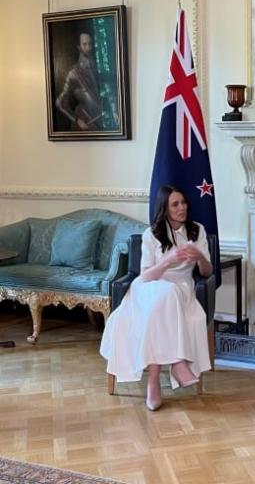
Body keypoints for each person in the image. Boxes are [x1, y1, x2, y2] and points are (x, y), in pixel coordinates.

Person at [100, 185, 213, 411]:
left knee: (166, 297)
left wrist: (200, 255)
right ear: (165, 208)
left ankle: (154, 380)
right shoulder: (151, 234)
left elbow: (207, 272)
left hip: (181, 287)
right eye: (175, 204)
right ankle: (177, 363)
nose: (182, 208)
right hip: (148, 287)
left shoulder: (197, 231)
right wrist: (167, 261)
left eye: (184, 202)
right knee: (164, 293)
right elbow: (146, 275)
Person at [55, 32, 110, 131]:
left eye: (90, 44)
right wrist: (77, 120)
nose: (88, 48)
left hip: (99, 123)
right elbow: (60, 103)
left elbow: (98, 94)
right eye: (84, 44)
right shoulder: (73, 73)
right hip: (85, 124)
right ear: (79, 47)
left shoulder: (95, 68)